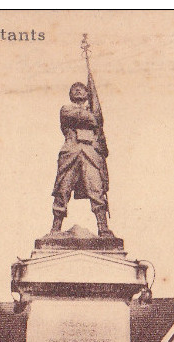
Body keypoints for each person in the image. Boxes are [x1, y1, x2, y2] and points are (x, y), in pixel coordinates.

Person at [50, 78, 114, 237]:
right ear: (70, 95)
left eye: (82, 88)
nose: (78, 90)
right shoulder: (66, 109)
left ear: (88, 94)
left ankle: (103, 227)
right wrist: (92, 115)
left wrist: (94, 115)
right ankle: (55, 228)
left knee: (96, 189)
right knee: (62, 189)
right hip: (71, 151)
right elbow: (87, 118)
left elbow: (95, 122)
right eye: (74, 89)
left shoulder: (93, 111)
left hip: (90, 154)